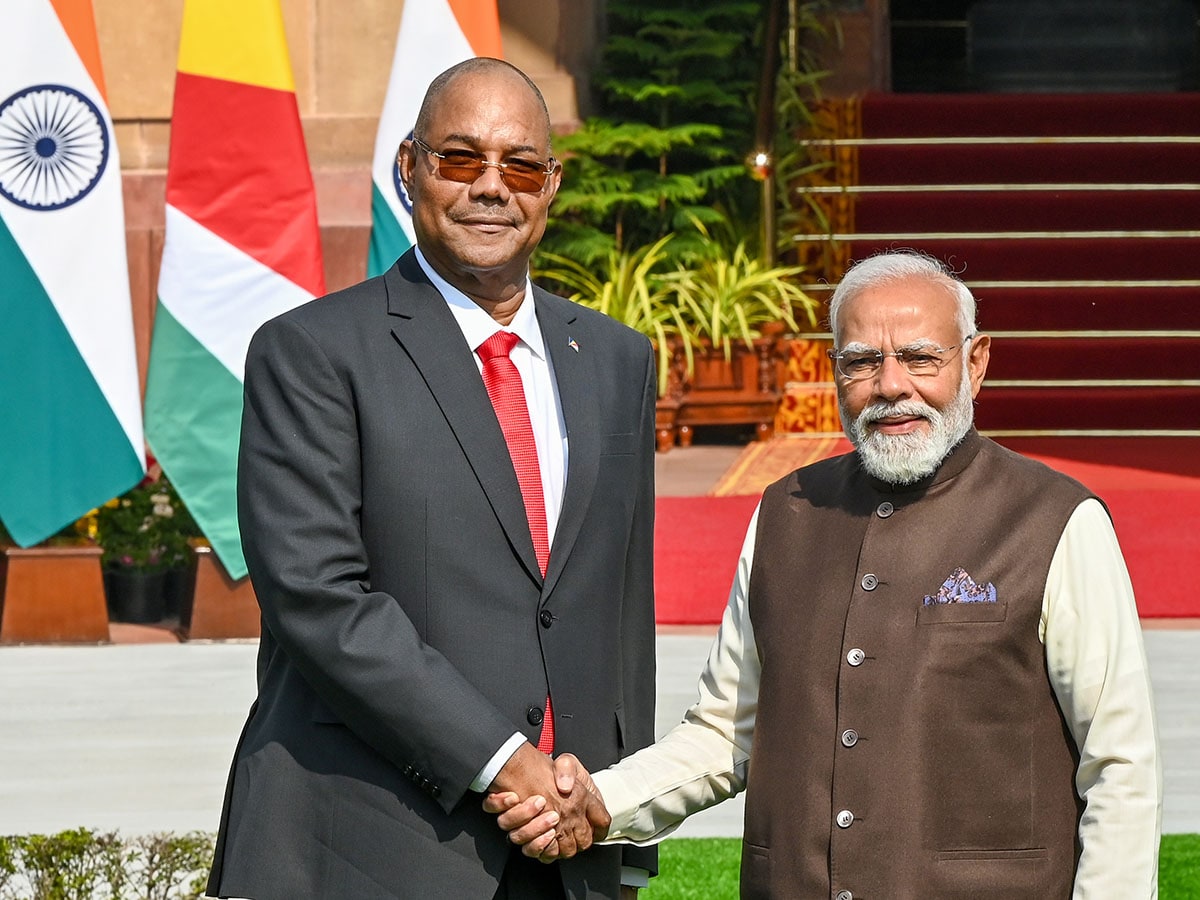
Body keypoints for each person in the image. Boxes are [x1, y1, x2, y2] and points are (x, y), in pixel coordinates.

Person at [490, 250, 1162, 898]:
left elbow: (1121, 767)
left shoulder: (1056, 522)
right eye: (862, 362)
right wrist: (601, 801)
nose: (891, 386)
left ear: (976, 362)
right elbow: (728, 731)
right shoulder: (786, 512)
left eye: (921, 357)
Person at [206, 58, 658, 900]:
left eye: (520, 164)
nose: (493, 187)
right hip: (370, 846)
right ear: (409, 166)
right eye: (461, 159)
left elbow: (619, 610)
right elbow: (318, 598)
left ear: (551, 184)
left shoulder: (615, 360)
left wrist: (615, 812)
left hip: (565, 848)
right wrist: (502, 764)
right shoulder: (312, 353)